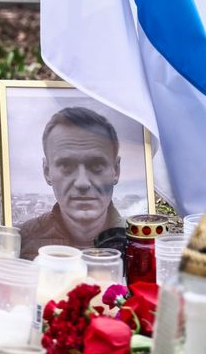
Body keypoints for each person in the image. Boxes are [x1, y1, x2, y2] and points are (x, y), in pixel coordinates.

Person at [19, 107, 126, 259]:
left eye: (96, 165)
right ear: (47, 172)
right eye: (66, 166)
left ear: (116, 170)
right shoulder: (21, 242)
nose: (82, 183)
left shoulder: (146, 246)